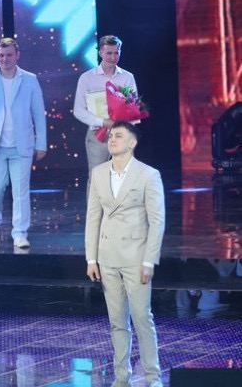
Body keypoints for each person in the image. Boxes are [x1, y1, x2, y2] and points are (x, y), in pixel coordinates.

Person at [85, 121, 164, 387]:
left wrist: (149, 260)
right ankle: (121, 378)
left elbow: (157, 221)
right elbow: (93, 217)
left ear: (132, 143)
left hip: (136, 258)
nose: (112, 139)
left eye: (118, 136)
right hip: (107, 257)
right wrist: (91, 258)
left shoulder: (148, 175)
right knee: (117, 322)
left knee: (142, 319)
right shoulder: (98, 173)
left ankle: (153, 377)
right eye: (110, 135)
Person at [0, 37, 47, 249]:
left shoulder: (29, 80)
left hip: (21, 145)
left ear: (17, 55)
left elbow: (38, 113)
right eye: (1, 55)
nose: (4, 59)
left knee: (20, 191)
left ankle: (20, 232)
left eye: (8, 55)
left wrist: (41, 143)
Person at [74, 35, 138, 178]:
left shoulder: (127, 77)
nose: (113, 57)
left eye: (116, 52)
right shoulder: (87, 78)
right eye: (109, 53)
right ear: (100, 53)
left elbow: (133, 109)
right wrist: (103, 122)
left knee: (124, 178)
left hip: (123, 134)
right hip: (98, 135)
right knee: (97, 178)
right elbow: (79, 110)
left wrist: (128, 130)